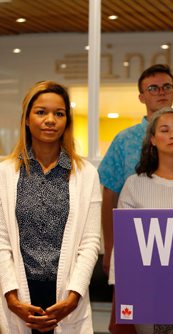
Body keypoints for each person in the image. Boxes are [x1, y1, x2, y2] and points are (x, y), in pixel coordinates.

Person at [0, 81, 101, 333]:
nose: (50, 120)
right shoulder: (5, 173)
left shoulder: (85, 173)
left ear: (67, 121)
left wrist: (73, 297)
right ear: (26, 118)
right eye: (41, 112)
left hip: (67, 296)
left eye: (59, 113)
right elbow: (1, 241)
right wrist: (12, 299)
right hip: (17, 295)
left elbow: (90, 242)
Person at [98, 64, 173, 334]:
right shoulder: (125, 141)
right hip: (134, 252)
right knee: (128, 324)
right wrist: (110, 249)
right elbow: (110, 195)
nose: (161, 92)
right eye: (152, 88)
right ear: (142, 96)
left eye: (166, 86)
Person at [108, 107, 173, 334]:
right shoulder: (134, 184)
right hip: (146, 291)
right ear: (153, 140)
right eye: (165, 130)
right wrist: (121, 288)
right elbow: (124, 246)